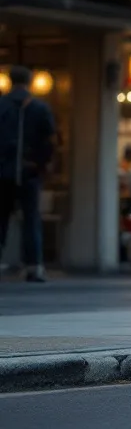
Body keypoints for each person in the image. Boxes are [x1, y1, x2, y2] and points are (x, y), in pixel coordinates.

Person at [0, 66, 57, 282]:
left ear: (9, 81)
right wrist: (41, 164)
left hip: (3, 170)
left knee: (1, 218)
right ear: (30, 82)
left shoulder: (1, 106)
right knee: (31, 218)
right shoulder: (40, 108)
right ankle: (34, 266)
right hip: (29, 170)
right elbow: (50, 141)